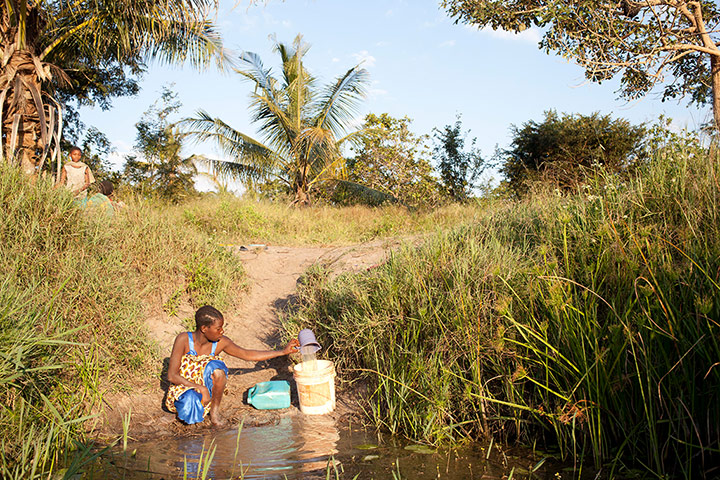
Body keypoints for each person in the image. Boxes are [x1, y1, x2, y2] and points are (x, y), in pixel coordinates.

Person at [166, 305, 299, 426]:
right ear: (204, 329)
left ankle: (214, 413)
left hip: (207, 396)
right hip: (185, 390)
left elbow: (247, 354)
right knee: (187, 408)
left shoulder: (220, 342)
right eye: (218, 329)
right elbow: (172, 376)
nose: (222, 331)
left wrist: (282, 351)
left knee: (217, 369)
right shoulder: (184, 339)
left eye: (222, 328)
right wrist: (200, 388)